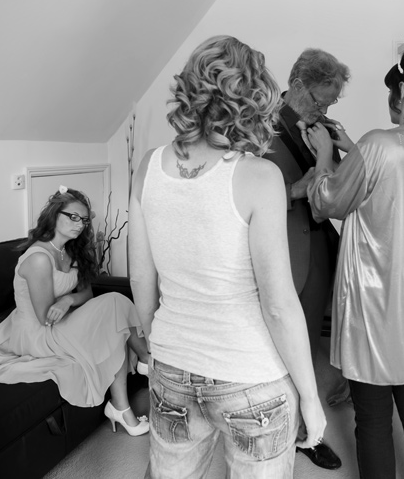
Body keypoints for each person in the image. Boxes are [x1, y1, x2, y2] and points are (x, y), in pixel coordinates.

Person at [128, 35, 326, 479]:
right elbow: (277, 304)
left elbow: (141, 279)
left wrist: (156, 346)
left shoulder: (147, 167)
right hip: (250, 378)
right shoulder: (260, 176)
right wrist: (310, 398)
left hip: (171, 369)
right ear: (252, 95)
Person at [306, 38, 404, 479]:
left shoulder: (378, 145)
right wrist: (353, 148)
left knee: (372, 418)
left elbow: (330, 202)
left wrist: (324, 156)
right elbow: (395, 179)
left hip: (374, 305)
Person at [0, 187, 150, 435]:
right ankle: (145, 361)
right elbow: (45, 317)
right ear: (54, 215)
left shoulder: (71, 250)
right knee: (115, 305)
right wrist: (65, 303)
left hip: (65, 321)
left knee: (114, 318)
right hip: (39, 333)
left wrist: (68, 300)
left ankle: (122, 408)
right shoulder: (38, 258)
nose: (80, 224)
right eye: (73, 217)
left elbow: (87, 294)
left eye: (84, 219)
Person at [262, 48, 354, 470]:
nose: (325, 108)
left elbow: (335, 189)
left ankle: (305, 435)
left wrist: (337, 160)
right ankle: (268, 429)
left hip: (317, 245)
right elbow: (247, 198)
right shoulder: (257, 125)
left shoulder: (328, 128)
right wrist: (304, 181)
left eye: (331, 101)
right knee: (272, 346)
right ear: (297, 85)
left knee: (306, 343)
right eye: (320, 99)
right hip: (275, 249)